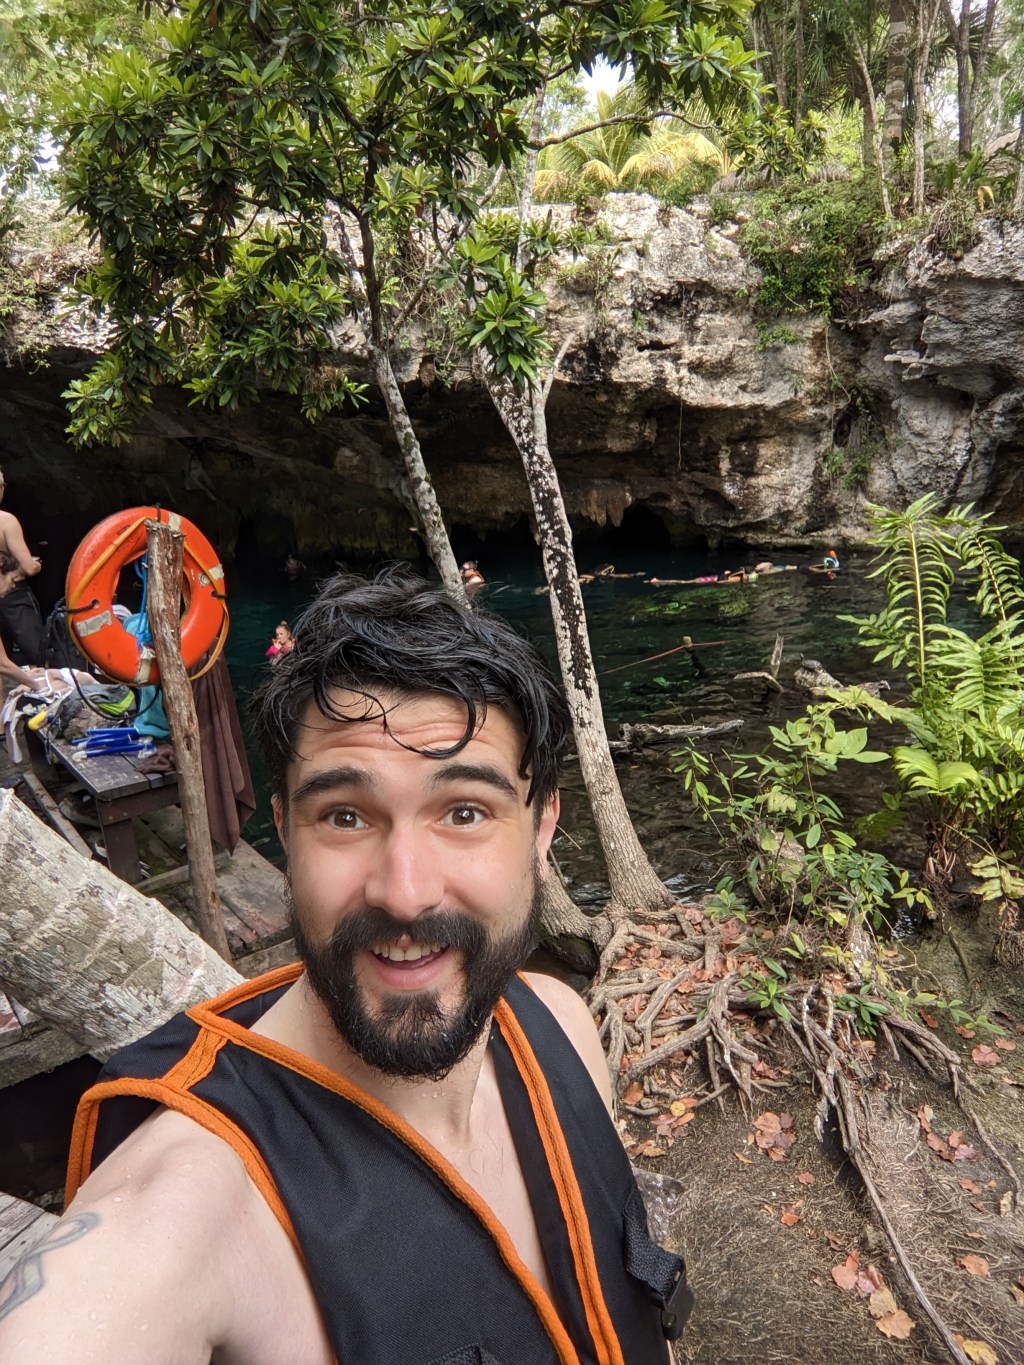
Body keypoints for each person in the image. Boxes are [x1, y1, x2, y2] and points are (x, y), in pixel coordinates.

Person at [0, 566, 690, 1363]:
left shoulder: (562, 1026)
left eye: (464, 811)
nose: (405, 891)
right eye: (346, 815)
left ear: (540, 831)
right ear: (287, 833)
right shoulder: (189, 1210)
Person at [0, 466, 44, 664]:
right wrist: (36, 564)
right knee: (36, 651)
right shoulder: (6, 521)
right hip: (13, 595)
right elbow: (28, 567)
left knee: (2, 662)